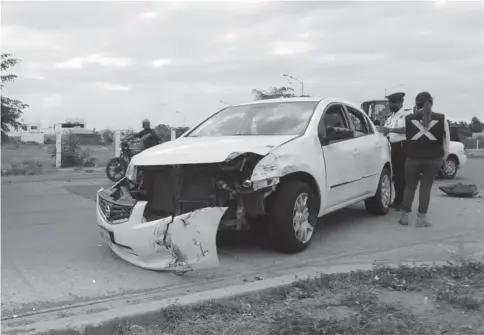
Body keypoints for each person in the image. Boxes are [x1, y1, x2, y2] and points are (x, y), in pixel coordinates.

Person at [398, 92, 450, 227]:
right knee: (425, 188)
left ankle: (404, 217)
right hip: (433, 159)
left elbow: (404, 138)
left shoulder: (409, 118)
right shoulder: (442, 118)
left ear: (416, 104)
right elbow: (446, 141)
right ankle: (421, 219)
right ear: (431, 103)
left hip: (412, 158)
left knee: (409, 187)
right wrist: (444, 158)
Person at [379, 92, 413, 210]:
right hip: (392, 147)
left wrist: (391, 130)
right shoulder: (390, 117)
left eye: (393, 102)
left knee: (402, 176)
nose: (390, 105)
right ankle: (398, 200)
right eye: (390, 102)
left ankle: (403, 202)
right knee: (396, 176)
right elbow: (385, 131)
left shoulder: (406, 115)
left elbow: (408, 130)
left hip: (402, 147)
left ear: (400, 102)